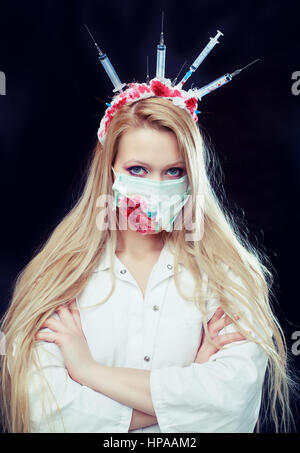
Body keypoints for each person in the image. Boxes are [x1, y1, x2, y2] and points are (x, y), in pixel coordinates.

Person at [0, 85, 296, 433]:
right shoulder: (59, 278)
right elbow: (49, 414)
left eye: (173, 172)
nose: (155, 187)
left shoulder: (228, 277)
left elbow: (230, 404)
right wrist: (188, 390)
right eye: (138, 170)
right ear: (109, 170)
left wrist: (88, 372)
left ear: (192, 178)